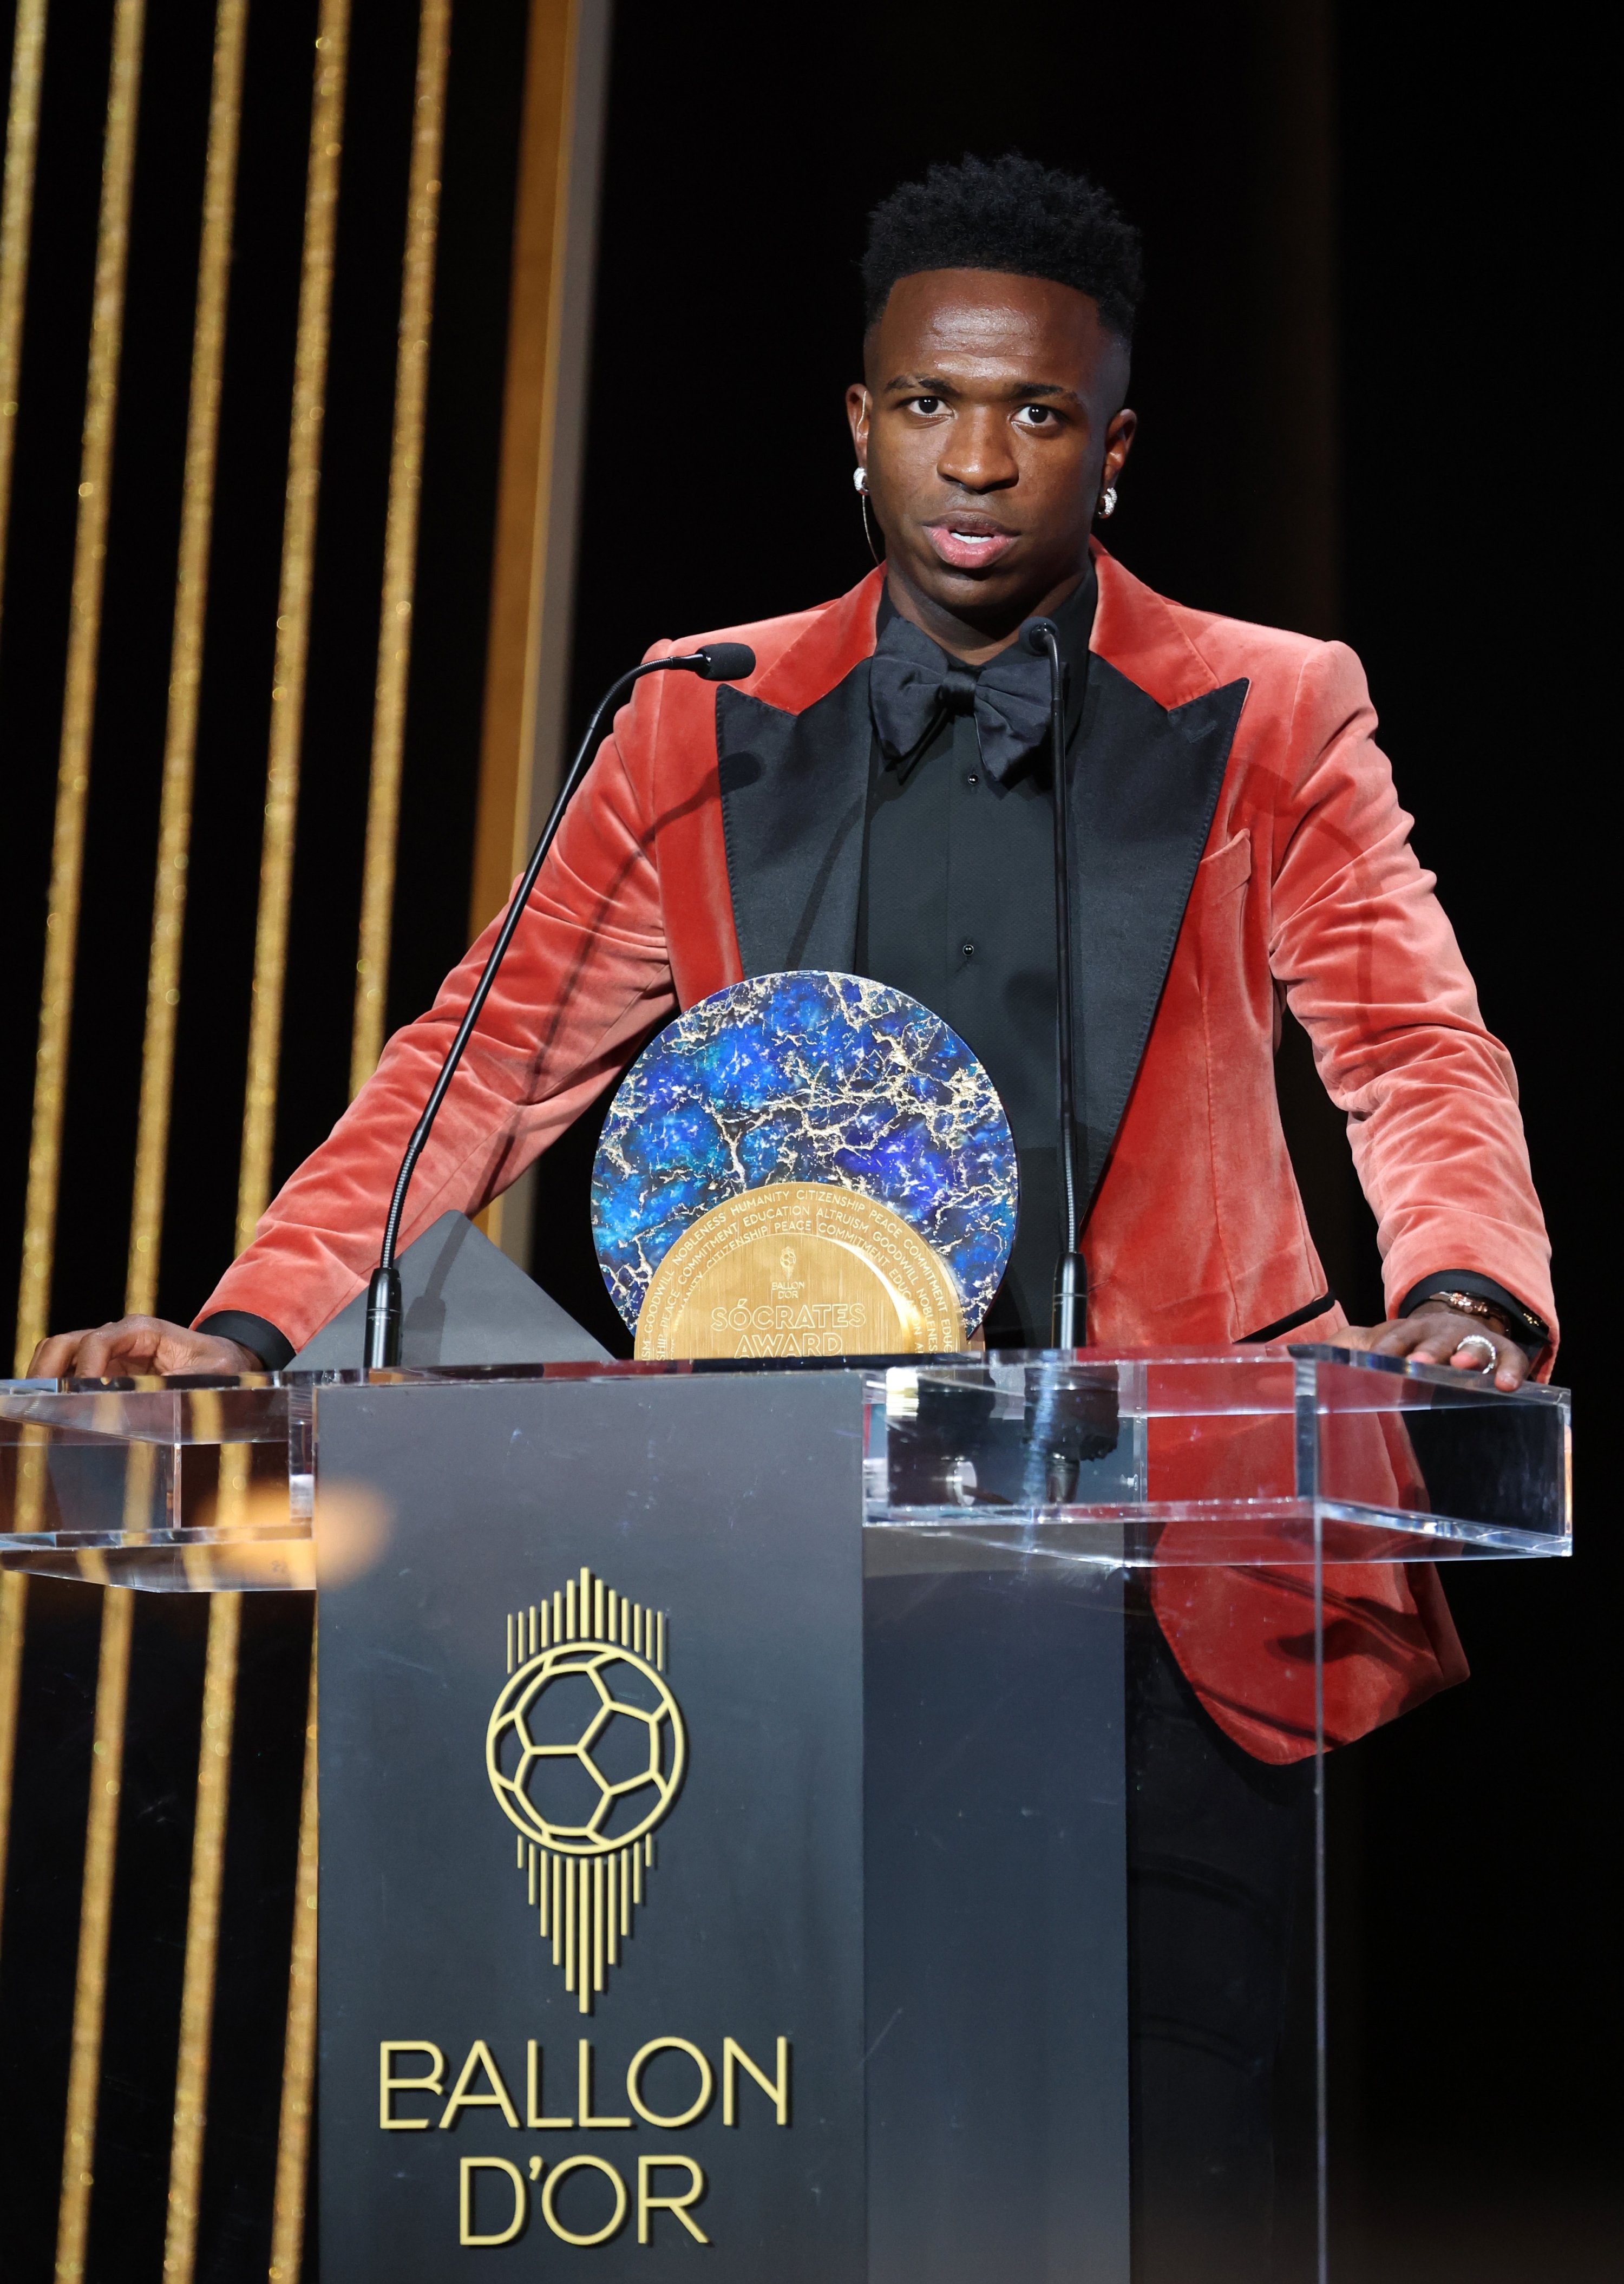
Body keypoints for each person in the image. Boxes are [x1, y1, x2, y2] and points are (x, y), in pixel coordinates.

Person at [34, 150, 1554, 1756]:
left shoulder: (1276, 711)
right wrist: (251, 1332)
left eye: (1036, 415)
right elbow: (480, 1063)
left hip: (1173, 1582)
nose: (974, 459)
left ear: (1111, 451)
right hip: (789, 1588)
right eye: (925, 404)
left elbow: (1410, 1044)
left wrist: (1470, 1294)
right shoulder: (694, 716)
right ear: (859, 425)